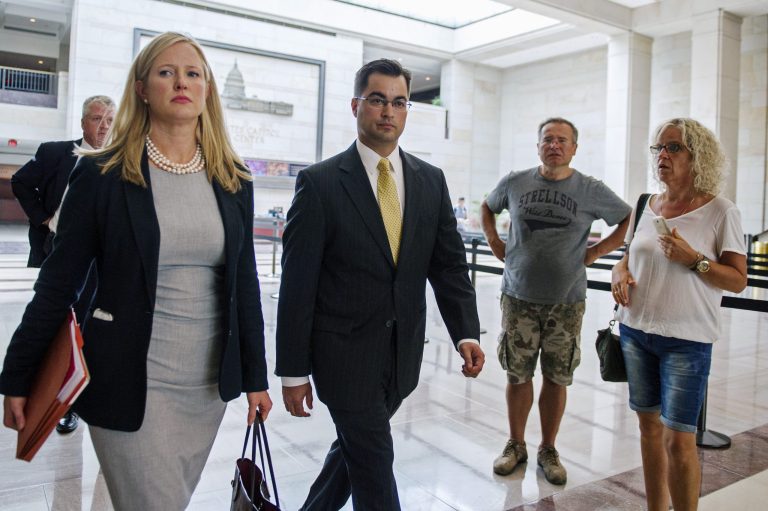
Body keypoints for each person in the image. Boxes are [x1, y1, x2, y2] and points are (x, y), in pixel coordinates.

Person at [0, 32, 272, 510]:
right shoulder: (102, 174)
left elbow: (243, 283)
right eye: (166, 72)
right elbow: (58, 282)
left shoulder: (233, 178)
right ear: (143, 88)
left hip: (206, 387)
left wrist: (256, 375)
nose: (181, 82)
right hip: (127, 378)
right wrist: (18, 374)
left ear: (207, 89)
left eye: (193, 73)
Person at [276, 58, 485, 511]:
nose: (388, 111)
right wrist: (293, 371)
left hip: (401, 357)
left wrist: (465, 331)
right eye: (377, 100)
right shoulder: (321, 183)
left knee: (353, 451)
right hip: (341, 358)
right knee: (374, 460)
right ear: (356, 106)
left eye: (399, 102)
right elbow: (298, 284)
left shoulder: (430, 181)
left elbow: (448, 266)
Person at [481, 117, 631, 485]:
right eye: (548, 139)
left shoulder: (590, 189)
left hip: (566, 302)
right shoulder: (516, 182)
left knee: (557, 376)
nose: (555, 145)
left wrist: (599, 251)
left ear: (574, 148)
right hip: (518, 297)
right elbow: (488, 207)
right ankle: (516, 444)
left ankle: (548, 448)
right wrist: (495, 242)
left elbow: (628, 217)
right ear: (538, 146)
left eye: (562, 140)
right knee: (517, 375)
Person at [611, 118, 747, 511]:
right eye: (658, 149)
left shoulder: (721, 211)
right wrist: (620, 272)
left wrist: (695, 261)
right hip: (636, 333)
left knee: (679, 439)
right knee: (648, 430)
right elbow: (627, 258)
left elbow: (737, 280)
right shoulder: (645, 204)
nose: (662, 156)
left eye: (673, 148)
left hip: (687, 341)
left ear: (696, 157)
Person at [11, 95, 115, 434]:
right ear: (84, 122)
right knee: (62, 326)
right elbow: (21, 182)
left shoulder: (118, 161)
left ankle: (86, 398)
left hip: (102, 261)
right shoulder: (55, 152)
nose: (103, 126)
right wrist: (43, 219)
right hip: (61, 253)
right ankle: (63, 403)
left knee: (92, 329)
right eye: (97, 118)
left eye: (110, 120)